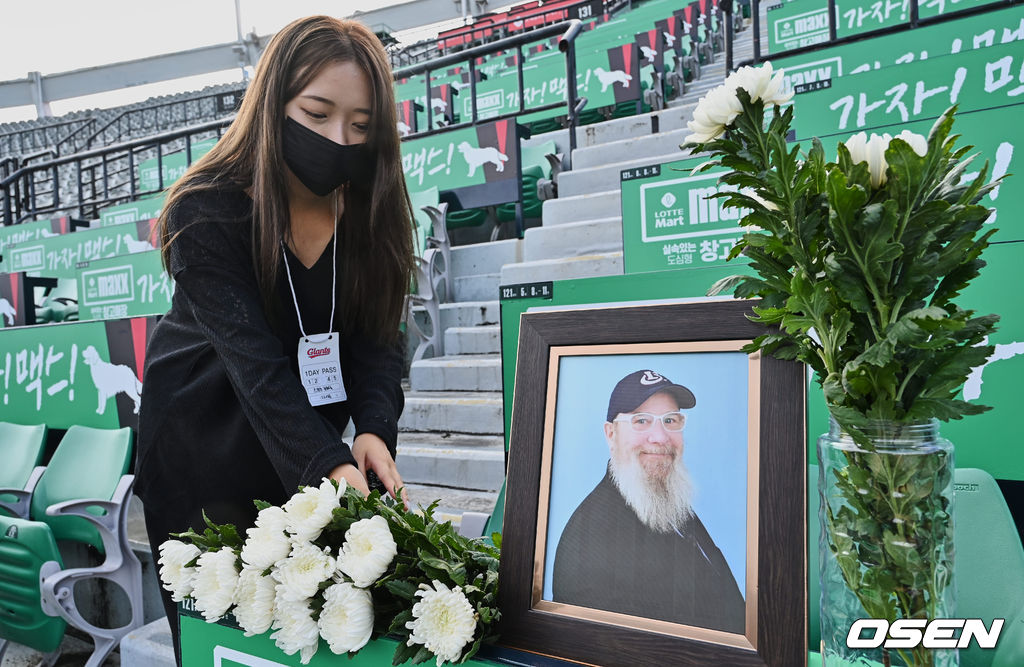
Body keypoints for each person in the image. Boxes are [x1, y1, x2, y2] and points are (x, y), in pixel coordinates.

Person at [134, 16, 415, 664]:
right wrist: (329, 464)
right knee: (222, 641)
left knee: (307, 631)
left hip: (303, 444)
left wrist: (373, 427)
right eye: (317, 113)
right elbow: (256, 370)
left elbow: (378, 339)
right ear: (273, 103)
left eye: (359, 124)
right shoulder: (205, 209)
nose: (337, 139)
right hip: (199, 447)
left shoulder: (371, 211)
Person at [552, 369, 746, 633]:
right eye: (641, 421)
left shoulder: (666, 503)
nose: (661, 437)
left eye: (670, 420)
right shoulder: (588, 544)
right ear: (611, 434)